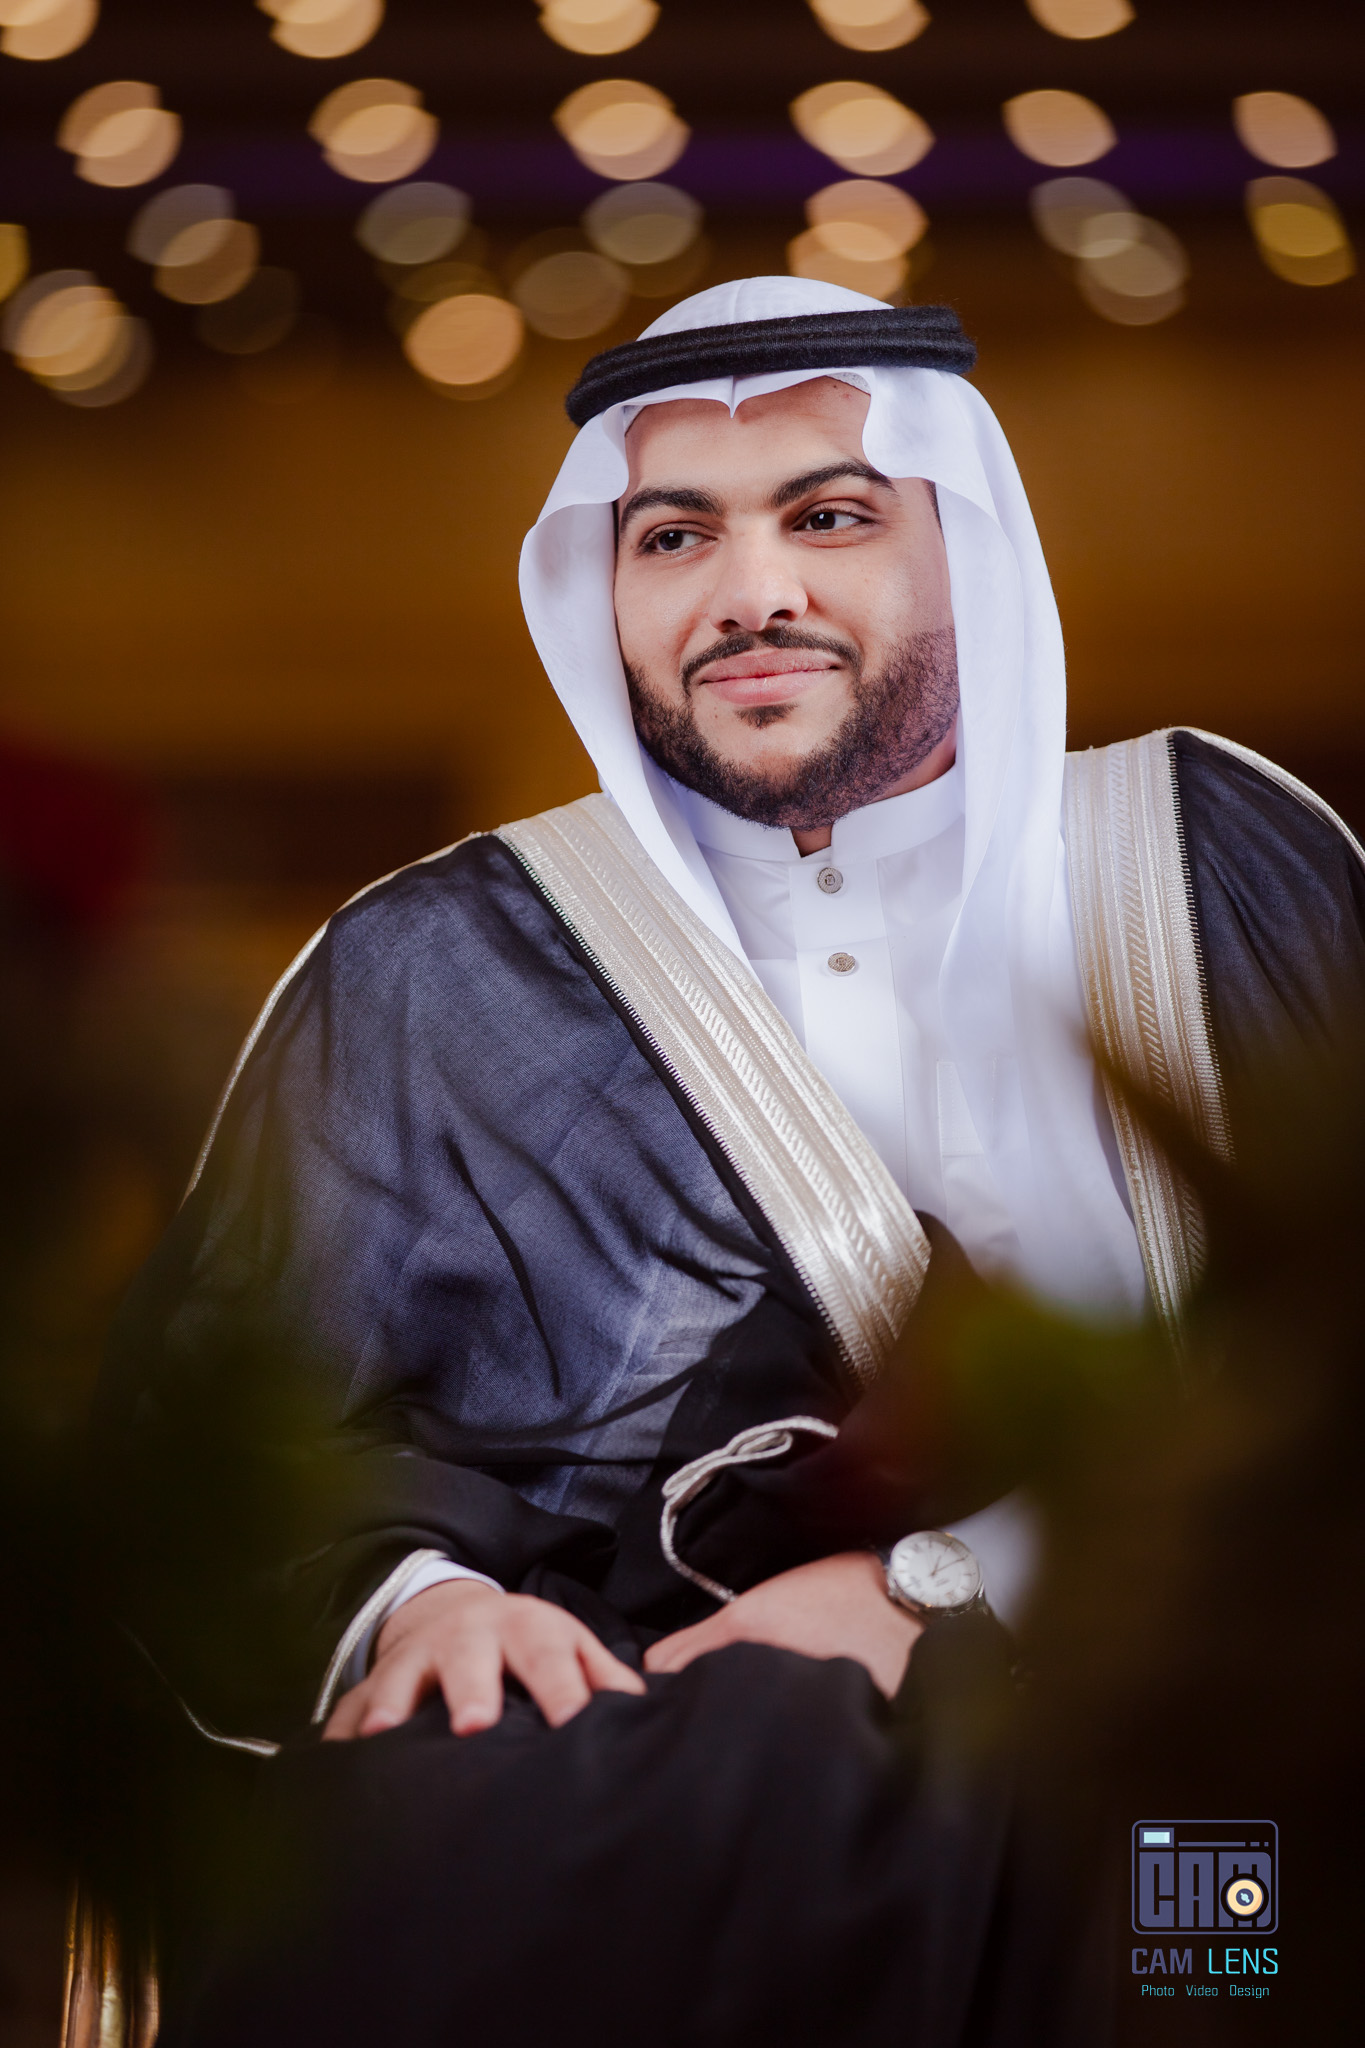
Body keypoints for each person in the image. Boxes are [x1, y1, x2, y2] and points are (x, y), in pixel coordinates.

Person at [98, 277, 1365, 2046]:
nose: (749, 593)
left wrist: (925, 1587)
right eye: (675, 534)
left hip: (1198, 1725)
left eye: (828, 517)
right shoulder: (438, 963)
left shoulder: (1207, 852)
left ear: (964, 550)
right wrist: (415, 1602)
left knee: (1202, 1918)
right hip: (623, 1733)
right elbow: (220, 1436)